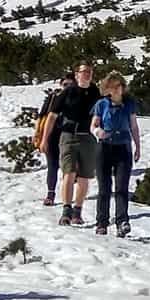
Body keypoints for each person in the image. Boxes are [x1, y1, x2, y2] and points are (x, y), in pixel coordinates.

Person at [51, 62, 104, 226]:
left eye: (90, 71)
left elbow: (103, 114)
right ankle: (66, 209)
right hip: (69, 136)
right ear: (76, 74)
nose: (87, 74)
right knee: (69, 172)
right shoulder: (68, 92)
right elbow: (52, 115)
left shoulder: (96, 92)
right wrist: (45, 138)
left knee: (85, 176)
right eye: (84, 71)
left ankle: (78, 210)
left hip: (88, 138)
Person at [89, 72, 141, 236]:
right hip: (104, 147)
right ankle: (102, 222)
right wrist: (98, 132)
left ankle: (122, 221)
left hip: (123, 147)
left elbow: (134, 126)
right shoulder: (101, 104)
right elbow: (93, 125)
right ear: (109, 89)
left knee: (122, 187)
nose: (119, 89)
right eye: (116, 86)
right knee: (104, 187)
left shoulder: (129, 104)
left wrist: (137, 146)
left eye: (121, 85)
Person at [37, 71, 74, 206]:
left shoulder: (79, 99)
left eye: (71, 85)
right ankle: (51, 194)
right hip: (53, 135)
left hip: (70, 136)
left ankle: (67, 196)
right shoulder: (53, 98)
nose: (68, 87)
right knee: (52, 166)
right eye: (65, 84)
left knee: (68, 168)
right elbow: (42, 117)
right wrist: (41, 137)